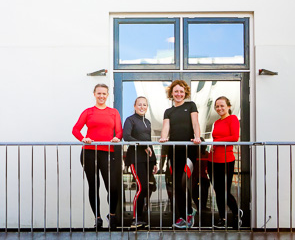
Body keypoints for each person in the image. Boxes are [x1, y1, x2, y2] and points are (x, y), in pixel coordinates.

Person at [72, 83, 122, 229]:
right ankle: (98, 218)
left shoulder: (113, 112)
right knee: (94, 186)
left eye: (104, 94)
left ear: (107, 95)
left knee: (112, 186)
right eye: (98, 93)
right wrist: (83, 138)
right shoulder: (88, 112)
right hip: (89, 153)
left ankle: (112, 216)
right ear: (94, 94)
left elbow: (119, 131)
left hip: (108, 153)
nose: (101, 96)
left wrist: (117, 138)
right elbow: (75, 129)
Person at [159, 79, 201, 229]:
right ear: (171, 93)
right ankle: (183, 217)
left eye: (181, 92)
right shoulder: (168, 111)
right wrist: (163, 137)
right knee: (177, 185)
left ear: (185, 93)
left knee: (184, 183)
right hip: (174, 151)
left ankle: (189, 213)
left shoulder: (190, 106)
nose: (179, 94)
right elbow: (166, 127)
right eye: (176, 91)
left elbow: (195, 123)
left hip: (188, 150)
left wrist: (197, 136)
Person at [122, 96, 157, 228]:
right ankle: (135, 218)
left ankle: (142, 217)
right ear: (135, 106)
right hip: (136, 158)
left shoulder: (147, 122)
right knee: (141, 187)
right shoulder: (130, 120)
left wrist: (155, 162)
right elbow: (127, 137)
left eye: (145, 105)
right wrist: (143, 146)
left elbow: (149, 142)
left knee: (146, 188)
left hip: (148, 160)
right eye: (140, 105)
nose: (142, 107)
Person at [210, 96, 240, 229]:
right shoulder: (216, 122)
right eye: (217, 106)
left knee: (225, 191)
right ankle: (222, 218)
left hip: (226, 160)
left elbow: (234, 137)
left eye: (222, 105)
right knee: (218, 191)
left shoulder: (232, 119)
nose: (219, 108)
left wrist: (215, 142)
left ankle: (236, 214)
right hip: (213, 160)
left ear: (228, 106)